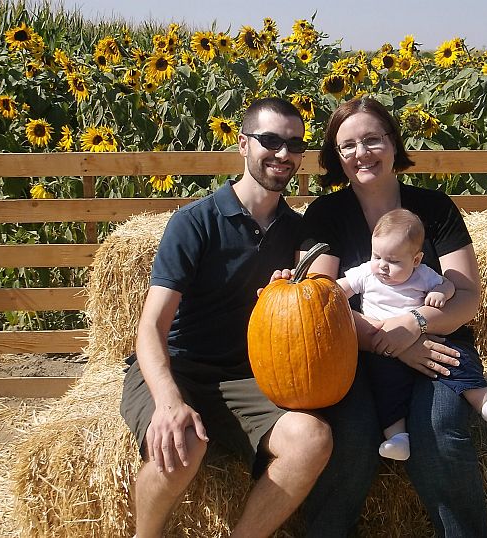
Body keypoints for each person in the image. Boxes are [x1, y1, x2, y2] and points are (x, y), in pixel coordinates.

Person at [119, 97, 333, 538]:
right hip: (177, 364)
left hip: (247, 376)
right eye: (270, 140)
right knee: (182, 442)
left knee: (312, 439)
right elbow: (151, 326)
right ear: (242, 144)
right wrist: (168, 401)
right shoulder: (195, 222)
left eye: (295, 144)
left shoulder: (299, 234)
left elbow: (320, 300)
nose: (283, 153)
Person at [299, 96, 487, 537]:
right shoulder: (324, 215)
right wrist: (392, 344)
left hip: (437, 345)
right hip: (354, 351)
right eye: (347, 145)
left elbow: (466, 296)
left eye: (372, 140)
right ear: (335, 156)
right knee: (350, 436)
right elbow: (320, 301)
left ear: (393, 143)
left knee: (440, 430)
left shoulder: (436, 208)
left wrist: (417, 325)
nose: (361, 153)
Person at [337, 208, 487, 461]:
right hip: (383, 347)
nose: (383, 266)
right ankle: (398, 438)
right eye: (377, 256)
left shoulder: (423, 275)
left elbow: (451, 285)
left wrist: (441, 293)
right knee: (385, 387)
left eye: (394, 261)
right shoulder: (367, 272)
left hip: (426, 338)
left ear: (416, 260)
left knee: (456, 361)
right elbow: (335, 291)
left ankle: (485, 403)